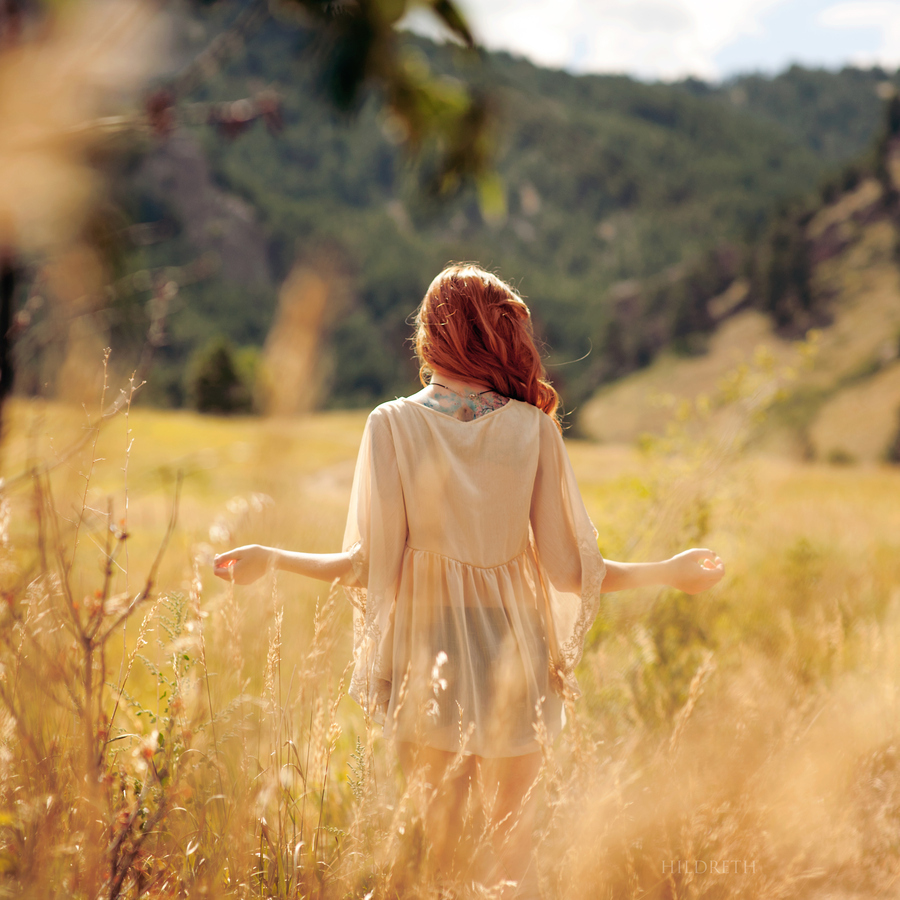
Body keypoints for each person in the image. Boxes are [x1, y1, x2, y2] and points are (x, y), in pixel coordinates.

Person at [214, 263, 725, 897]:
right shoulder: (532, 428)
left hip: (423, 657)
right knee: (514, 853)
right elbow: (570, 572)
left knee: (438, 859)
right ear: (501, 336)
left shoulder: (392, 423)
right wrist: (669, 572)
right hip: (519, 660)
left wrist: (275, 557)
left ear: (431, 335)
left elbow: (369, 565)